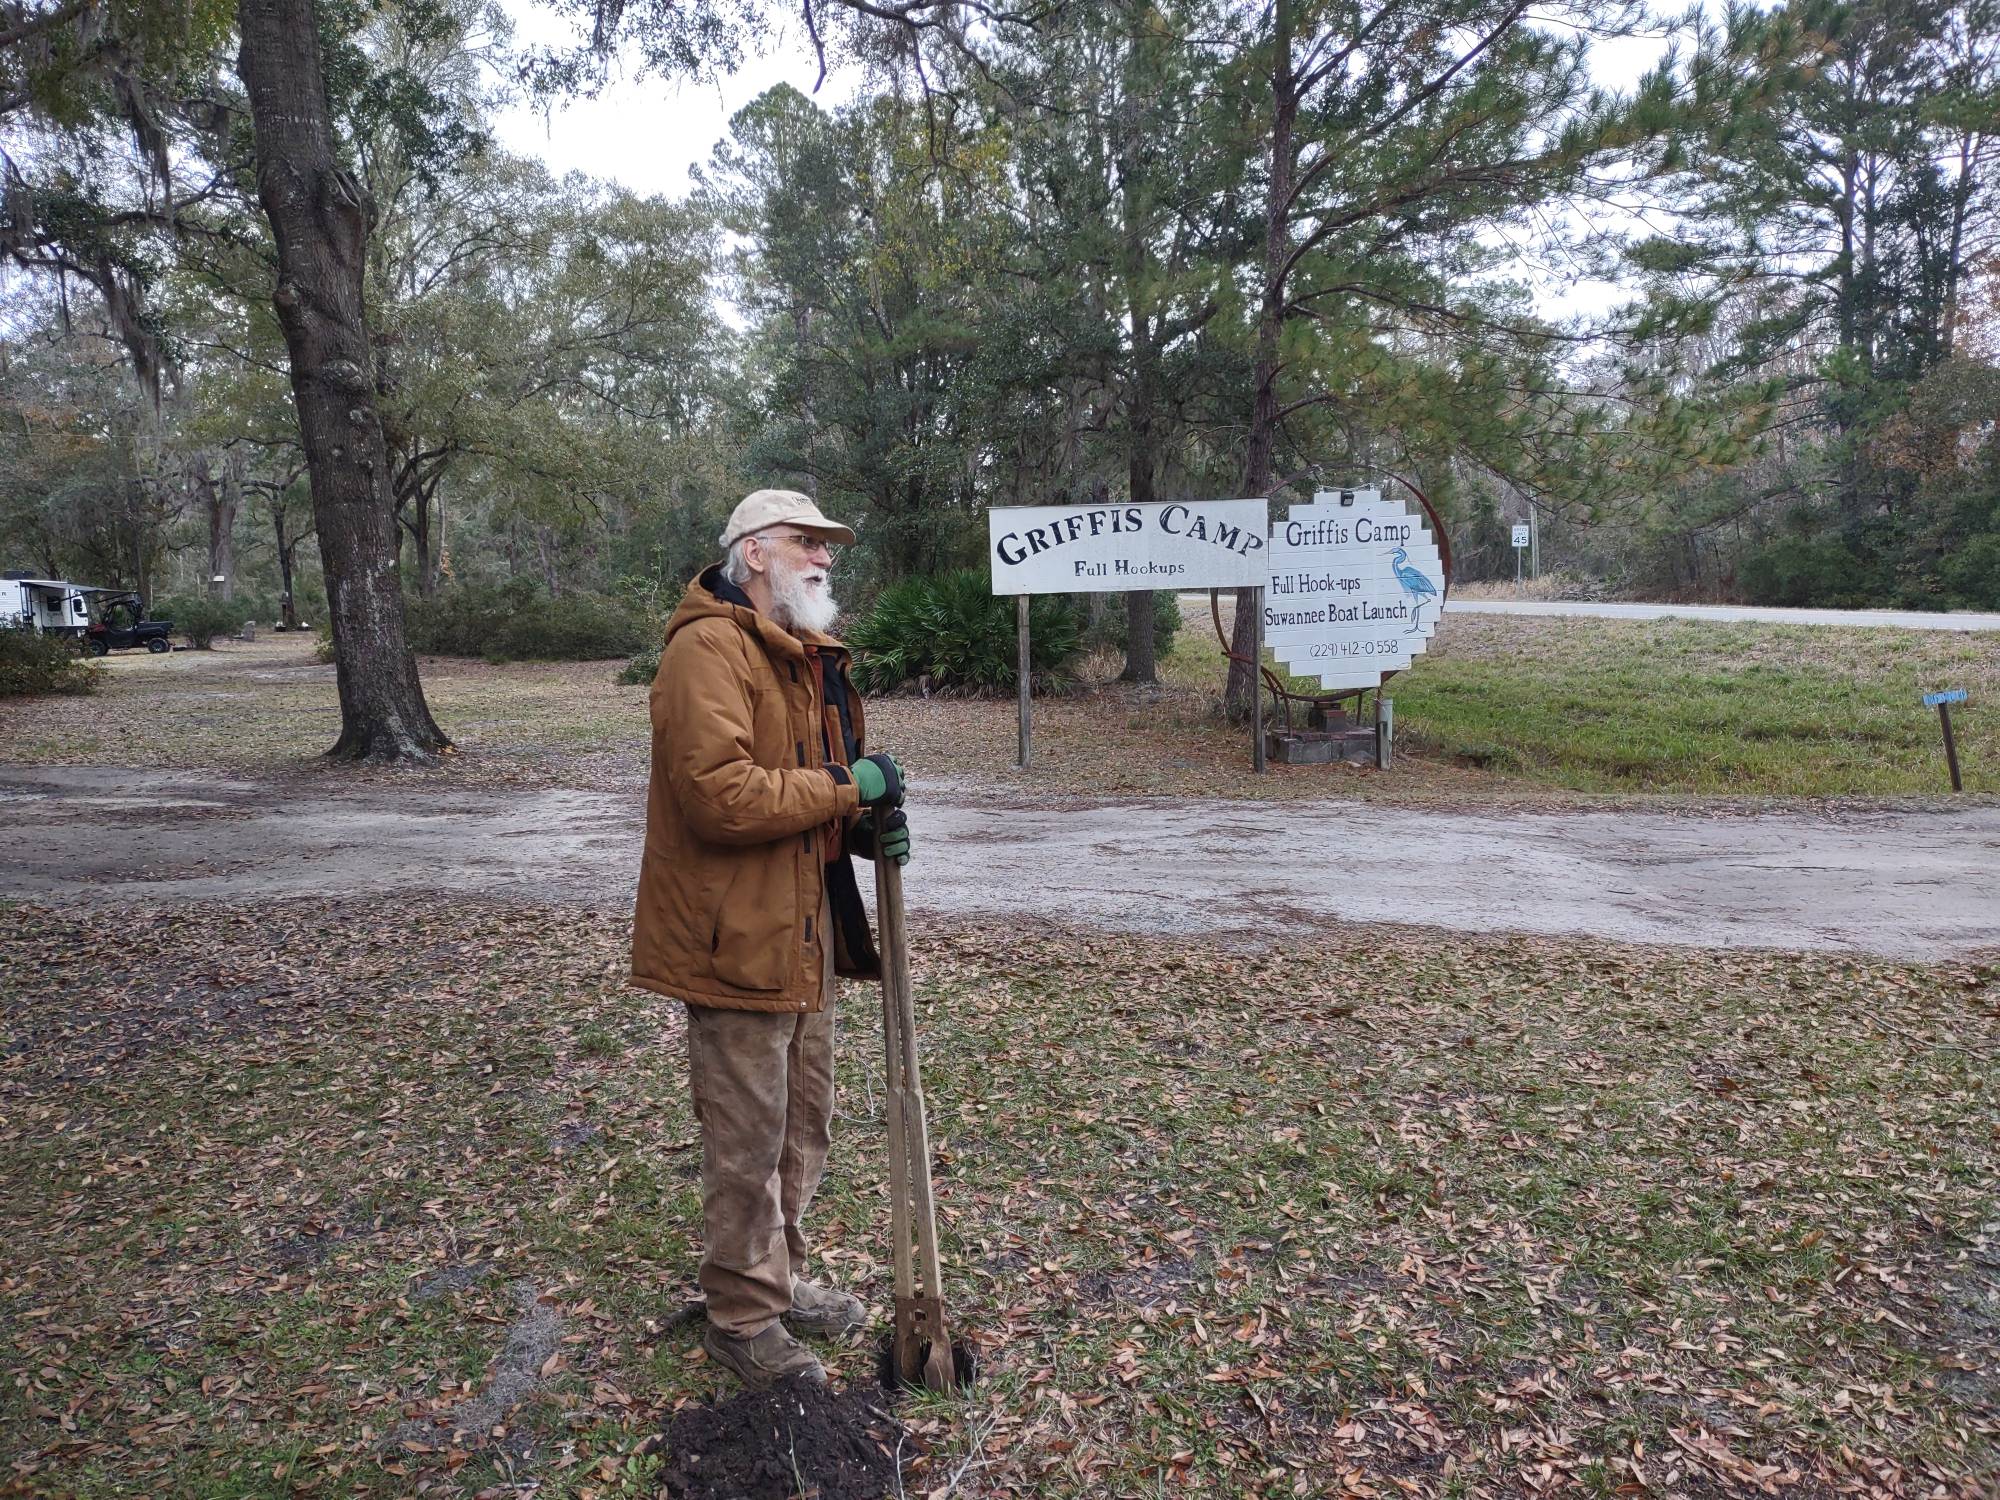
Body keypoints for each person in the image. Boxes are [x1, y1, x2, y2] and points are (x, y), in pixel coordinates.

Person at [632, 488, 912, 1390]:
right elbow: (721, 797)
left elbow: (813, 786)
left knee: (805, 1125)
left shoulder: (802, 654)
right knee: (748, 1140)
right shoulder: (705, 651)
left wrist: (867, 825)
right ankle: (742, 1319)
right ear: (754, 553)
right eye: (805, 542)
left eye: (829, 545)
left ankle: (778, 1280)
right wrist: (848, 786)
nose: (824, 558)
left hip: (806, 930)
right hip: (737, 940)